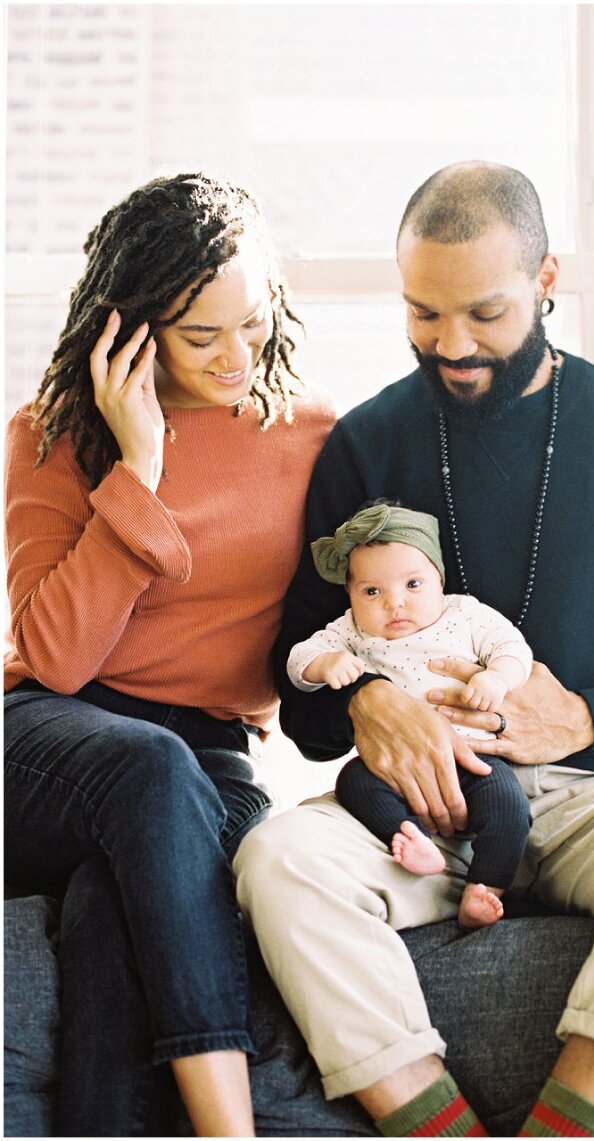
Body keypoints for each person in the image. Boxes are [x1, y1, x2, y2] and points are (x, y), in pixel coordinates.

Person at [234, 160, 594, 1138]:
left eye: (484, 311)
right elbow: (299, 696)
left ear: (547, 280)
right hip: (424, 811)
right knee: (275, 858)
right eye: (423, 313)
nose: (452, 343)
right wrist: (361, 704)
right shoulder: (368, 444)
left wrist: (593, 713)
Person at [4, 172, 336, 1136]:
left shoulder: (311, 436)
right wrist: (138, 467)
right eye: (202, 336)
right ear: (131, 330)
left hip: (213, 756)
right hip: (47, 743)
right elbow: (56, 656)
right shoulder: (50, 436)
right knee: (147, 767)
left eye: (254, 322)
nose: (238, 356)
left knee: (117, 906)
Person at [288, 500, 533, 928]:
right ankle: (410, 838)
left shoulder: (464, 615)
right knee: (353, 782)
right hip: (392, 768)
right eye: (372, 592)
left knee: (510, 805)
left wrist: (496, 678)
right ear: (350, 595)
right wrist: (324, 665)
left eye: (413, 584)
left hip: (471, 758)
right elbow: (297, 661)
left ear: (440, 581)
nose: (393, 604)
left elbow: (514, 649)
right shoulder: (350, 629)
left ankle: (485, 887)